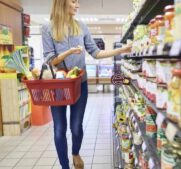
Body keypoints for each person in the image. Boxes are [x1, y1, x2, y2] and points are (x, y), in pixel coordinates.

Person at [41, 0, 131, 169]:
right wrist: (68, 52)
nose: (77, 5)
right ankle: (65, 166)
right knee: (60, 128)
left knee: (76, 127)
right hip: (58, 86)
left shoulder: (81, 26)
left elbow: (96, 53)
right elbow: (50, 60)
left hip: (79, 83)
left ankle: (75, 152)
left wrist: (121, 50)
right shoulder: (47, 28)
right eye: (74, 1)